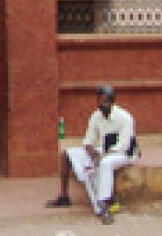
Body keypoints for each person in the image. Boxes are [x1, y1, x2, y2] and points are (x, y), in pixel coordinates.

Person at [46, 85, 138, 225]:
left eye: (105, 102)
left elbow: (123, 145)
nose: (102, 105)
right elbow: (88, 140)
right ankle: (64, 196)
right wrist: (92, 152)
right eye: (100, 101)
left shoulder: (125, 117)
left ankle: (104, 204)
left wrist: (101, 156)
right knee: (67, 154)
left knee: (106, 163)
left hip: (124, 154)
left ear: (112, 102)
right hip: (102, 151)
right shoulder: (96, 116)